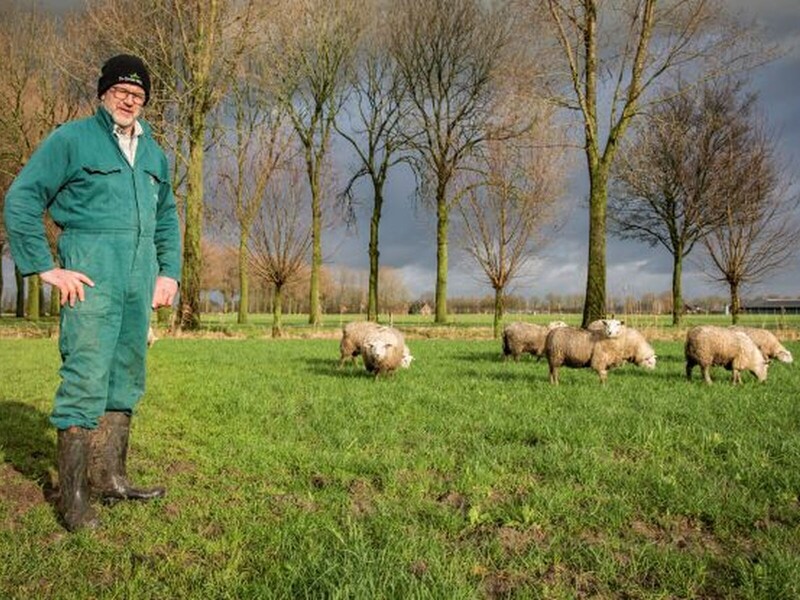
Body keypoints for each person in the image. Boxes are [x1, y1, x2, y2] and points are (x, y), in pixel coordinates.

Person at [3, 54, 181, 531]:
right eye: (122, 91)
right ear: (103, 93)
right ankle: (74, 499)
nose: (130, 100)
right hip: (91, 280)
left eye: (139, 95)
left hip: (139, 282)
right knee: (85, 378)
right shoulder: (71, 140)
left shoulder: (155, 154)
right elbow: (21, 198)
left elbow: (166, 217)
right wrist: (45, 268)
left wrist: (169, 274)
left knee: (126, 375)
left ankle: (112, 478)